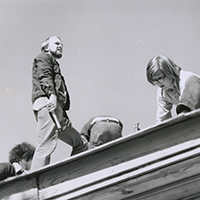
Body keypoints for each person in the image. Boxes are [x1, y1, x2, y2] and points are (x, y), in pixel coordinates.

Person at [31, 36, 88, 170]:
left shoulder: (55, 64)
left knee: (80, 143)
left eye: (61, 44)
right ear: (46, 47)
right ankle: (33, 183)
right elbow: (44, 76)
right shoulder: (44, 57)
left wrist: (65, 117)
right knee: (46, 145)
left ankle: (74, 173)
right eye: (56, 43)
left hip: (57, 109)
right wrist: (52, 95)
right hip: (48, 103)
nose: (60, 46)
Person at [146, 55, 200, 123]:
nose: (158, 83)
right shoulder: (162, 93)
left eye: (160, 78)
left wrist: (182, 118)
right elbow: (162, 121)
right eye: (154, 80)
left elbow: (185, 114)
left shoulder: (187, 79)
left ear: (169, 72)